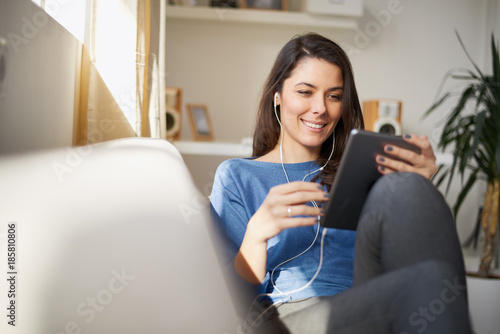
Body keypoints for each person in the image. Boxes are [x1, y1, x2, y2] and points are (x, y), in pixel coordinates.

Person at [210, 32, 471, 334]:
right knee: (430, 279)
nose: (321, 108)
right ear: (277, 95)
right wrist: (256, 235)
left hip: (369, 295)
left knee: (411, 202)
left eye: (333, 96)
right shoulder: (238, 176)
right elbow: (226, 299)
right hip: (288, 314)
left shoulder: (363, 170)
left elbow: (411, 254)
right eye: (306, 92)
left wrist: (419, 188)